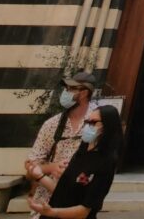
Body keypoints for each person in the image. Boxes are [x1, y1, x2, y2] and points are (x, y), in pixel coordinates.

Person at [28, 105, 121, 219]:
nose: (88, 126)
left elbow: (84, 211)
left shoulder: (106, 162)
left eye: (93, 122)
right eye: (87, 122)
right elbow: (64, 190)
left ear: (107, 126)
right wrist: (40, 176)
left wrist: (52, 212)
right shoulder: (81, 153)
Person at [25, 73, 98, 217]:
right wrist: (52, 167)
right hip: (46, 201)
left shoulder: (98, 124)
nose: (65, 92)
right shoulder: (52, 124)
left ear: (83, 93)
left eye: (70, 89)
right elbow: (30, 166)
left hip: (78, 202)